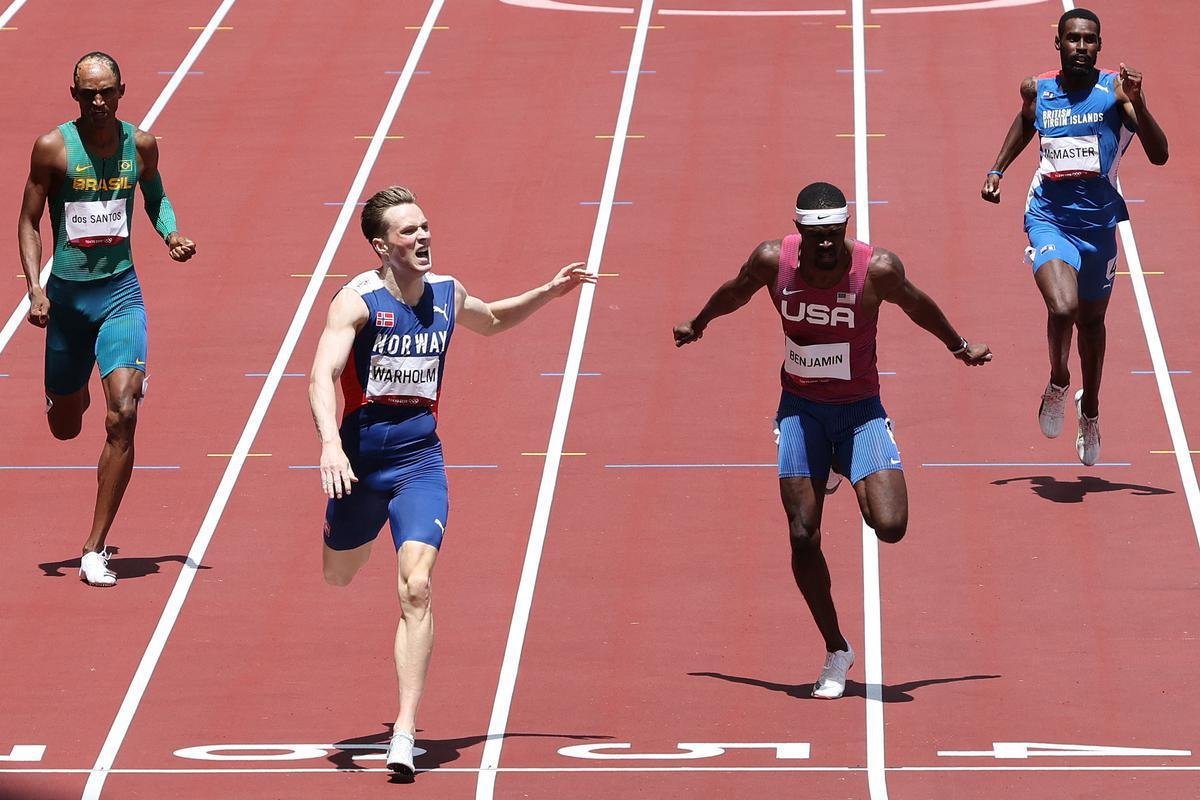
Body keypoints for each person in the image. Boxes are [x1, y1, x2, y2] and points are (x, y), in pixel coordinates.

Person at [308, 186, 592, 776]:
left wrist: (548, 292)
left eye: (426, 227)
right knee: (339, 573)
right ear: (380, 244)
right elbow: (322, 374)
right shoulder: (356, 302)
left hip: (419, 461)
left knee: (416, 587)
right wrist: (331, 446)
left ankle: (404, 732)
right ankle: (346, 537)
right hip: (360, 464)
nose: (423, 238)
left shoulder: (445, 292)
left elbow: (489, 320)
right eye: (409, 232)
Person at [674, 182, 991, 699]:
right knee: (803, 534)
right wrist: (699, 322)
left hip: (860, 412)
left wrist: (959, 347)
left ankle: (844, 465)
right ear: (799, 231)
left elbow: (917, 305)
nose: (825, 244)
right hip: (800, 411)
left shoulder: (877, 270)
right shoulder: (772, 261)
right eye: (815, 235)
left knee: (890, 527)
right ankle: (836, 649)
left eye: (834, 234)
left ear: (846, 228)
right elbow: (735, 291)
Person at [17, 52, 196, 587]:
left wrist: (171, 233)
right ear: (74, 95)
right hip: (69, 303)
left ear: (122, 91)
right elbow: (28, 221)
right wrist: (35, 286)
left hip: (121, 292)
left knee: (123, 414)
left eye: (107, 92)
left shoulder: (140, 144)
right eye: (87, 94)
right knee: (66, 427)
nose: (98, 102)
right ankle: (70, 389)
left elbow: (156, 196)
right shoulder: (52, 148)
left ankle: (95, 548)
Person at [981, 8, 1167, 466]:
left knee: (1091, 324)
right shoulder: (1038, 89)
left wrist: (1139, 103)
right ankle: (1059, 382)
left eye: (1089, 40)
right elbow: (1027, 120)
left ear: (1099, 46)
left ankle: (1092, 411)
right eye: (1073, 39)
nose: (1081, 47)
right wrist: (996, 169)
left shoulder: (1115, 92)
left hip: (1098, 225)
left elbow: (1160, 155)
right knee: (1062, 307)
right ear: (1058, 44)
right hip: (1048, 217)